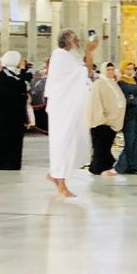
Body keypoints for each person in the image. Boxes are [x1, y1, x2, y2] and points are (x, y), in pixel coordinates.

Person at [44, 30, 96, 197]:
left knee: (68, 142)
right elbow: (85, 73)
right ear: (68, 42)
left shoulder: (65, 57)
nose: (77, 42)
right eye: (75, 39)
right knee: (62, 142)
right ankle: (60, 182)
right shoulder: (60, 56)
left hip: (66, 106)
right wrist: (88, 52)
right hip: (62, 108)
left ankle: (57, 176)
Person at [0, 51, 34, 170]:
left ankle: (12, 162)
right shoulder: (5, 75)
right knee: (5, 136)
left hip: (16, 112)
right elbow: (21, 86)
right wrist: (23, 73)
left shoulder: (15, 74)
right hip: (6, 112)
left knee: (16, 137)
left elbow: (25, 83)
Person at [88, 63, 125, 176]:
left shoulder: (113, 84)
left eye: (112, 70)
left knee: (106, 146)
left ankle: (105, 166)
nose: (110, 72)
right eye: (108, 69)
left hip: (112, 121)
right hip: (102, 121)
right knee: (100, 147)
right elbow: (95, 102)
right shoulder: (99, 84)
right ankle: (99, 168)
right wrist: (101, 119)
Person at [115, 65, 137, 175]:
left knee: (136, 139)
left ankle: (134, 165)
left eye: (132, 69)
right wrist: (135, 99)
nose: (130, 71)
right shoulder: (120, 82)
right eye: (127, 69)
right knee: (130, 139)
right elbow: (123, 97)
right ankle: (123, 165)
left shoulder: (136, 80)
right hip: (128, 112)